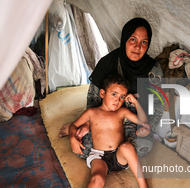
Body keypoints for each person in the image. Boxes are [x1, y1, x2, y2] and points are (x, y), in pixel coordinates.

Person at [70, 74, 159, 188]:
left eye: (121, 97)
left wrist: (133, 101)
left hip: (118, 155)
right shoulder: (92, 113)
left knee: (127, 146)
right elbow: (73, 125)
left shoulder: (122, 112)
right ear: (102, 93)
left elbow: (143, 121)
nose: (117, 101)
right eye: (114, 94)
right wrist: (72, 137)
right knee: (97, 180)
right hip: (98, 157)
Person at [60, 17, 164, 159]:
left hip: (134, 119)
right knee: (83, 146)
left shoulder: (154, 70)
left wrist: (148, 126)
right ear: (125, 40)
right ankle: (76, 126)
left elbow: (158, 104)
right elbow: (93, 98)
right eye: (133, 39)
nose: (138, 47)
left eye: (144, 42)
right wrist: (89, 123)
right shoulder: (108, 63)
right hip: (105, 117)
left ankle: (114, 153)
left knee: (142, 146)